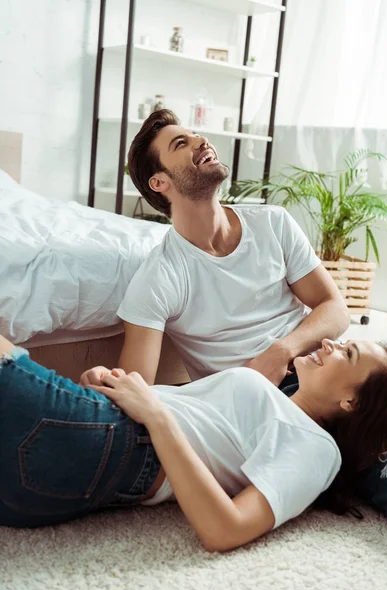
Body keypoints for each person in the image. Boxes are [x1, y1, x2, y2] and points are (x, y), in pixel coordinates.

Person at [1, 334, 387, 551]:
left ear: (352, 402)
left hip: (112, 446)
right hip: (84, 444)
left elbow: (226, 529)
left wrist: (155, 416)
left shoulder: (317, 449)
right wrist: (112, 386)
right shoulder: (280, 401)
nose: (329, 344)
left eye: (347, 353)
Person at [80, 109, 349, 388]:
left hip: (323, 361)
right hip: (265, 394)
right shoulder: (159, 278)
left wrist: (281, 352)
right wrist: (103, 383)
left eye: (196, 134)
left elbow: (336, 309)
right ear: (160, 182)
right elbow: (136, 389)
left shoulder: (272, 222)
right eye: (181, 143)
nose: (201, 141)